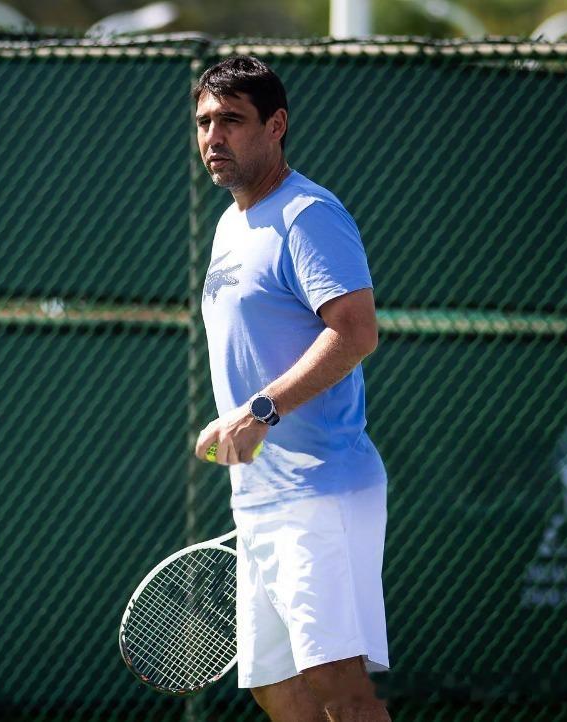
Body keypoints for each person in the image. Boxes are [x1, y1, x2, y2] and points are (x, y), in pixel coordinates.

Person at [191, 56, 390, 722]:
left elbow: (356, 332)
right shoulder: (229, 224)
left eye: (231, 121)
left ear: (275, 126)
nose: (213, 137)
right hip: (260, 498)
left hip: (321, 492)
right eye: (204, 122)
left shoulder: (309, 214)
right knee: (278, 689)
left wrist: (261, 411)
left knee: (339, 688)